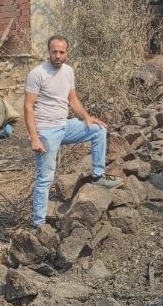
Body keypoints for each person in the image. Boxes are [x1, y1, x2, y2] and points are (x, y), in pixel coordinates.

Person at [25, 35, 124, 231]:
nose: (58, 56)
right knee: (45, 178)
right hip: (46, 131)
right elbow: (28, 107)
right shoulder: (37, 74)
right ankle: (37, 224)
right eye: (54, 51)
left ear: (67, 52)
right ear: (48, 51)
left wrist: (87, 118)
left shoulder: (68, 71)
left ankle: (98, 175)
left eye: (62, 52)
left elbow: (73, 100)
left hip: (65, 125)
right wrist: (34, 137)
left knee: (98, 129)